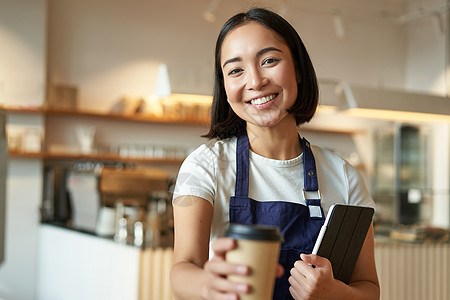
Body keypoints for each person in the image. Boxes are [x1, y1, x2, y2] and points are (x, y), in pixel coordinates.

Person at [170, 7, 380, 300]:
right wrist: (207, 285)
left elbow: (368, 288)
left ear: (299, 69)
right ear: (225, 88)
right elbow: (184, 269)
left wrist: (334, 293)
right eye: (236, 70)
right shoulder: (206, 166)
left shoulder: (343, 177)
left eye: (269, 60)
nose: (255, 81)